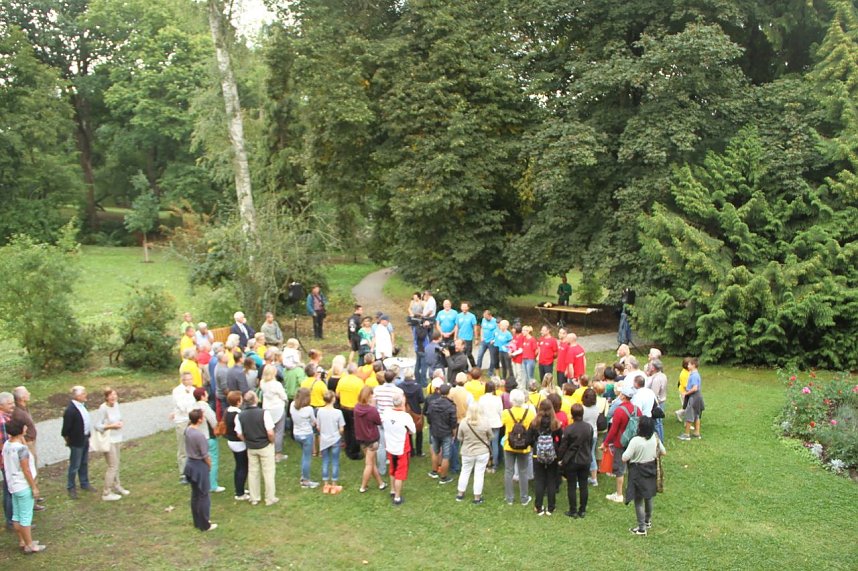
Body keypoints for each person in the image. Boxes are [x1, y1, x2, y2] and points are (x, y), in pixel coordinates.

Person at [2, 419, 45, 553]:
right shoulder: (21, 450)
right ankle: (30, 545)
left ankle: (22, 541)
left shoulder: (7, 445)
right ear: (21, 429)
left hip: (13, 485)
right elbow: (26, 469)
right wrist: (34, 487)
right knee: (26, 517)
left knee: (17, 516)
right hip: (23, 485)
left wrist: (21, 438)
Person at [623, 416, 666, 535]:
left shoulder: (635, 441)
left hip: (638, 471)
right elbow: (663, 452)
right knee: (649, 496)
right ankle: (647, 521)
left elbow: (624, 457)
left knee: (638, 500)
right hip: (651, 468)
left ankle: (641, 528)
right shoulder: (655, 437)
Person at [236, 392, 277, 506]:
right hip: (265, 445)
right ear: (255, 400)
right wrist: (272, 441)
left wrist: (247, 441)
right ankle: (270, 498)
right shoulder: (264, 413)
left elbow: (239, 433)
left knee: (253, 472)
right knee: (268, 472)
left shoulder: (240, 415)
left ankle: (254, 498)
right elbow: (270, 431)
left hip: (251, 447)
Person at [602, 386, 640, 503]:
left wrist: (606, 443)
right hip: (633, 441)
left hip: (621, 442)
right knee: (632, 465)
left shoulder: (619, 410)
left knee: (620, 468)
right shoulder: (637, 409)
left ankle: (619, 494)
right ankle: (633, 490)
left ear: (623, 396)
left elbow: (613, 429)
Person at [94, 388, 130, 501]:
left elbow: (120, 418)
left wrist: (121, 423)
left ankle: (117, 486)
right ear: (106, 397)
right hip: (108, 440)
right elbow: (97, 426)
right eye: (111, 395)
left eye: (115, 394)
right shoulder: (103, 408)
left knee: (117, 464)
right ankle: (106, 493)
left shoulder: (116, 405)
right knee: (112, 466)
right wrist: (111, 426)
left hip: (117, 438)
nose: (114, 397)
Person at [558, 404, 594, 518]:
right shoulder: (589, 427)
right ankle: (582, 510)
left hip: (572, 460)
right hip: (585, 459)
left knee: (571, 485)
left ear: (572, 415)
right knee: (584, 485)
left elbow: (563, 447)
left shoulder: (569, 429)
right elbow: (590, 443)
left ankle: (573, 510)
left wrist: (560, 458)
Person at [184, 409, 217, 531]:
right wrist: (209, 465)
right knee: (203, 495)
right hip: (199, 465)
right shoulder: (199, 436)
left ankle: (197, 521)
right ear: (199, 419)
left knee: (195, 495)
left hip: (190, 465)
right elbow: (205, 455)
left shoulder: (188, 430)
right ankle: (205, 524)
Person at [527, 399, 563, 515]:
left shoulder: (534, 423)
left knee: (539, 480)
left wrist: (535, 443)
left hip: (538, 454)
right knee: (551, 479)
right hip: (552, 454)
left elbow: (527, 440)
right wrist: (555, 446)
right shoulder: (556, 423)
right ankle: (551, 507)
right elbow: (561, 439)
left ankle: (538, 506)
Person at [61, 386, 96, 498]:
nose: (86, 395)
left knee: (84, 462)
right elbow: (65, 429)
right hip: (76, 441)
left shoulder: (82, 406)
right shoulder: (70, 410)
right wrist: (69, 441)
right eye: (84, 393)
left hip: (85, 438)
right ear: (77, 396)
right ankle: (71, 487)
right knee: (75, 465)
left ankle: (84, 483)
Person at [381, 395, 416, 506]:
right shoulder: (405, 417)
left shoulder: (386, 413)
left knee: (392, 468)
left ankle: (392, 490)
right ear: (402, 404)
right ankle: (397, 497)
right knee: (400, 473)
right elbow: (413, 430)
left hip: (390, 446)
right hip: (401, 448)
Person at [501, 389, 533, 506]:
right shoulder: (530, 413)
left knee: (509, 471)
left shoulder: (506, 413)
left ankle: (509, 498)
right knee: (523, 471)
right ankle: (524, 498)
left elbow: (502, 423)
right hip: (524, 446)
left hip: (509, 445)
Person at [456, 403, 493, 504]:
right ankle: (477, 497)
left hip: (467, 451)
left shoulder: (464, 422)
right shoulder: (485, 422)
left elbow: (459, 437)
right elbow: (491, 436)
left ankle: (460, 494)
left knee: (464, 472)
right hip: (482, 452)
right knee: (479, 474)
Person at [192, 388, 225, 494]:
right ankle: (212, 485)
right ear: (202, 396)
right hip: (208, 437)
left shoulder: (193, 406)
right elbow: (213, 421)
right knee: (213, 461)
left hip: (197, 437)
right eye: (205, 394)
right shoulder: (205, 407)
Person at [354, 387, 386, 492]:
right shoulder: (372, 410)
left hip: (362, 438)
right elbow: (378, 421)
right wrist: (373, 405)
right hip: (372, 439)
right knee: (369, 464)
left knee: (371, 462)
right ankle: (363, 486)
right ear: (369, 396)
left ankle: (380, 483)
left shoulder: (356, 408)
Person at [425, 384, 458, 484]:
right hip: (446, 433)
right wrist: (454, 434)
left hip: (435, 431)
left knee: (435, 452)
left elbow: (429, 417)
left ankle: (434, 472)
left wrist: (432, 425)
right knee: (446, 456)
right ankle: (443, 477)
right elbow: (453, 423)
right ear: (449, 393)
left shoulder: (433, 403)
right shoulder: (451, 406)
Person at [257, 364, 288, 462]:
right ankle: (277, 454)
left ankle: (269, 450)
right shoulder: (276, 384)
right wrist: (285, 400)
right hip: (277, 408)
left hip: (267, 408)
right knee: (278, 431)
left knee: (269, 430)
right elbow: (283, 396)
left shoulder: (262, 382)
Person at [290, 388, 319, 488]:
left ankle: (303, 475)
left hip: (297, 434)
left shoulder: (292, 405)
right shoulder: (309, 409)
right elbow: (314, 422)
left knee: (304, 455)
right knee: (307, 457)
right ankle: (306, 481)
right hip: (306, 435)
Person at [317, 391, 345, 494]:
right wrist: (338, 433)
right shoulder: (338, 413)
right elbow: (341, 428)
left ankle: (325, 484)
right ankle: (334, 484)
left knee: (325, 461)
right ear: (333, 399)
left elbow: (318, 426)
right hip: (335, 439)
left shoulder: (320, 411)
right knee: (335, 461)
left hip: (324, 439)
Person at [171, 373, 196, 485]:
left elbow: (195, 404)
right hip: (182, 420)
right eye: (188, 379)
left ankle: (193, 470)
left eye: (191, 379)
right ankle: (183, 473)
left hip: (192, 420)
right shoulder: (177, 391)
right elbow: (181, 406)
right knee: (182, 446)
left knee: (193, 445)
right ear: (183, 380)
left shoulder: (193, 390)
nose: (190, 381)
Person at [224, 391, 249, 500]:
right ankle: (239, 493)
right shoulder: (238, 414)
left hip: (231, 441)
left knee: (239, 466)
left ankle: (240, 488)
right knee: (242, 467)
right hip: (238, 443)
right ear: (238, 402)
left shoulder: (228, 411)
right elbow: (239, 432)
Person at [336, 363, 364, 460]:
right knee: (355, 430)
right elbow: (362, 396)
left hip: (343, 408)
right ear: (355, 371)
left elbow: (337, 394)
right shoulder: (359, 382)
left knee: (347, 429)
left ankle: (348, 448)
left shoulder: (342, 380)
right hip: (354, 409)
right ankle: (354, 452)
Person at [478, 380, 503, 472]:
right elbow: (501, 411)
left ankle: (486, 463)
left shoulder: (482, 399)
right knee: (494, 443)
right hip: (495, 423)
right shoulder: (497, 399)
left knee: (486, 444)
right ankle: (494, 464)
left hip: (485, 423)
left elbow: (480, 412)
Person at [679, 357, 705, 440]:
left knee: (689, 416)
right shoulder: (695, 374)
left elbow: (694, 388)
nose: (688, 365)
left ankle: (686, 435)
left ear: (693, 365)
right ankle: (697, 433)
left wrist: (685, 393)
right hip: (698, 397)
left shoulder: (694, 376)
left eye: (689, 364)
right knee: (697, 415)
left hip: (693, 397)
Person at [400, 373, 425, 457]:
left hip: (405, 412)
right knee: (419, 431)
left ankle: (410, 451)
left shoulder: (400, 386)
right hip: (416, 411)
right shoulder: (418, 387)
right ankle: (419, 451)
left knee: (408, 431)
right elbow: (421, 399)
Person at [581, 388, 602, 486]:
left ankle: (582, 477)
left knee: (581, 455)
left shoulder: (582, 409)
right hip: (594, 433)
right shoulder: (596, 408)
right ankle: (594, 478)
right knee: (591, 454)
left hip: (583, 434)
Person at [649, 359, 668, 442]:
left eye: (650, 365)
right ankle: (660, 440)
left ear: (653, 368)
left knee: (656, 423)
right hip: (662, 401)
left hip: (657, 403)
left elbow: (654, 394)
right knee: (659, 422)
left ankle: (659, 441)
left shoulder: (656, 379)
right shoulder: (663, 375)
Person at [475, 309, 499, 374]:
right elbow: (482, 328)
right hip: (484, 341)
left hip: (492, 342)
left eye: (486, 317)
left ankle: (490, 371)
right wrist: (481, 337)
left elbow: (498, 332)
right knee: (480, 355)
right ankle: (478, 369)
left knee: (492, 357)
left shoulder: (495, 321)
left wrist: (494, 340)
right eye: (484, 317)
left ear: (490, 315)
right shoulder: (483, 320)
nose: (485, 318)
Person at [494, 320, 514, 384]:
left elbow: (511, 342)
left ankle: (511, 377)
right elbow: (497, 339)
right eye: (500, 325)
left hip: (506, 351)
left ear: (506, 326)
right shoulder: (499, 332)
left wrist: (508, 349)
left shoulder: (508, 334)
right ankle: (504, 378)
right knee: (503, 365)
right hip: (500, 351)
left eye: (502, 325)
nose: (500, 326)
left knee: (508, 365)